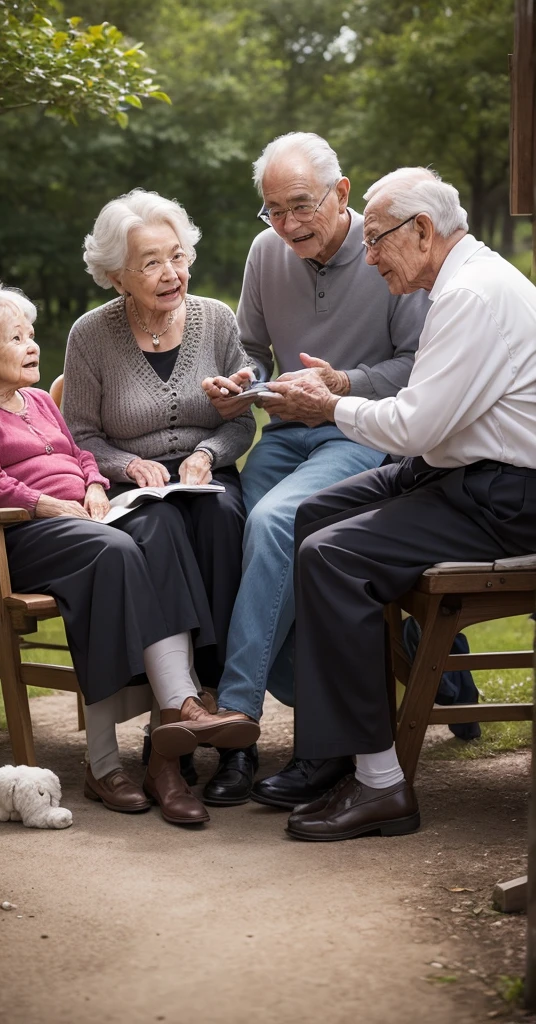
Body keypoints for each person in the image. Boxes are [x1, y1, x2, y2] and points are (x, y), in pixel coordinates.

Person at [265, 167, 536, 841]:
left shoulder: (471, 295)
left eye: (378, 239)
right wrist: (341, 388)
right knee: (314, 514)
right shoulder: (462, 282)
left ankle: (383, 787)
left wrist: (329, 405)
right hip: (459, 472)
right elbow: (431, 422)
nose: (369, 253)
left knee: (333, 558)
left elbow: (417, 427)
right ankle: (337, 747)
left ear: (423, 230)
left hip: (505, 496)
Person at [0, 284, 259, 829]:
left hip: (78, 520)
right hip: (19, 537)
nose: (32, 345)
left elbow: (81, 452)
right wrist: (47, 504)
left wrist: (90, 485)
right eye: (16, 338)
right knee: (116, 553)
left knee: (160, 531)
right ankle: (118, 753)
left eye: (31, 334)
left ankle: (169, 746)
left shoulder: (38, 401)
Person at [200, 132, 429, 808]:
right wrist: (245, 377)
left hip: (360, 435)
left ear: (342, 194)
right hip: (283, 433)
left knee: (276, 523)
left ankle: (237, 730)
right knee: (228, 526)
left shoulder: (388, 249)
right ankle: (407, 673)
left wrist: (346, 383)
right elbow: (251, 345)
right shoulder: (265, 252)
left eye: (301, 206)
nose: (288, 225)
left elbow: (421, 364)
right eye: (273, 210)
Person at [61, 189, 258, 774]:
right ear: (117, 275)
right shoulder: (90, 336)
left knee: (224, 519)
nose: (172, 273)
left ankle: (231, 712)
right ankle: (174, 711)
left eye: (177, 255)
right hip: (134, 488)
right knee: (161, 524)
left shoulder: (217, 319)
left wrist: (205, 451)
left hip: (209, 476)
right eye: (151, 263)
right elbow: (81, 435)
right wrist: (126, 467)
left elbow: (243, 420)